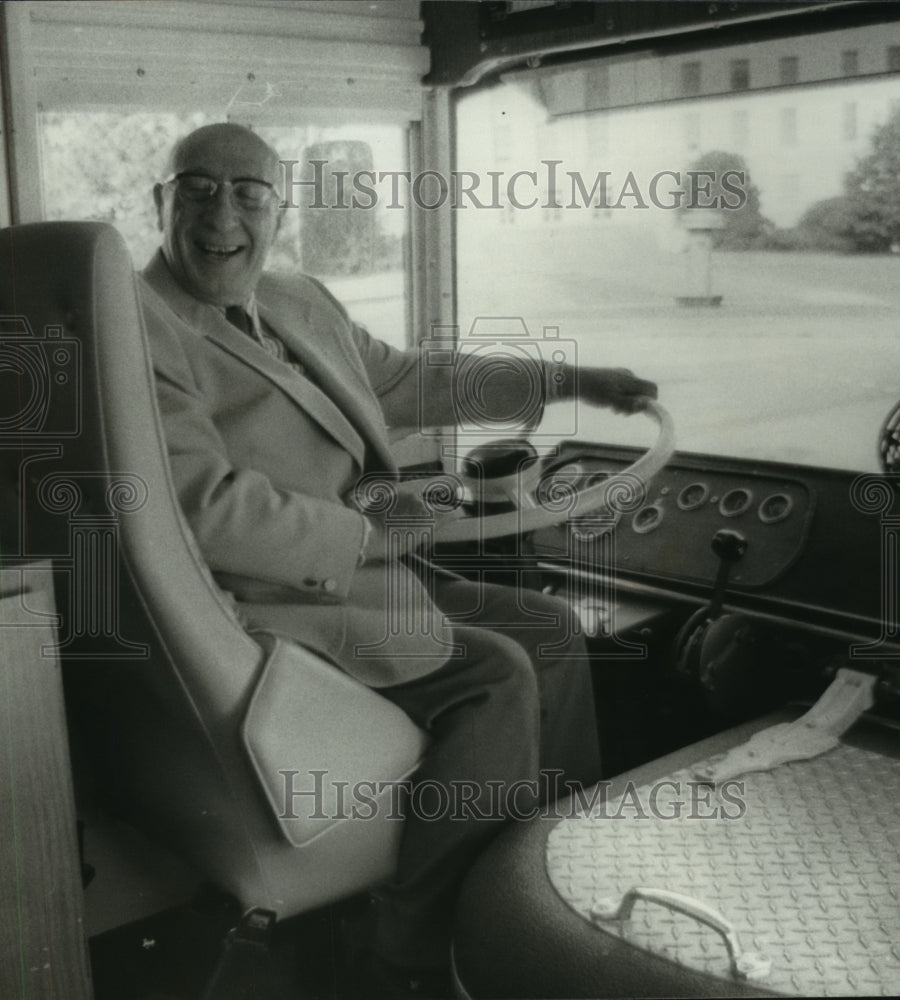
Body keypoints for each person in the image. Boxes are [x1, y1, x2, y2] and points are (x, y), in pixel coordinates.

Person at [138, 122, 658, 992]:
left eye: (249, 193)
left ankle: (555, 882)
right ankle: (422, 954)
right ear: (159, 202)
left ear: (278, 210)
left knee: (550, 627)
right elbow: (206, 508)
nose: (221, 213)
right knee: (495, 673)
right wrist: (380, 529)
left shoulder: (299, 300)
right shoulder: (142, 331)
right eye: (196, 188)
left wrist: (571, 381)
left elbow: (417, 381)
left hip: (373, 581)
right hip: (268, 600)